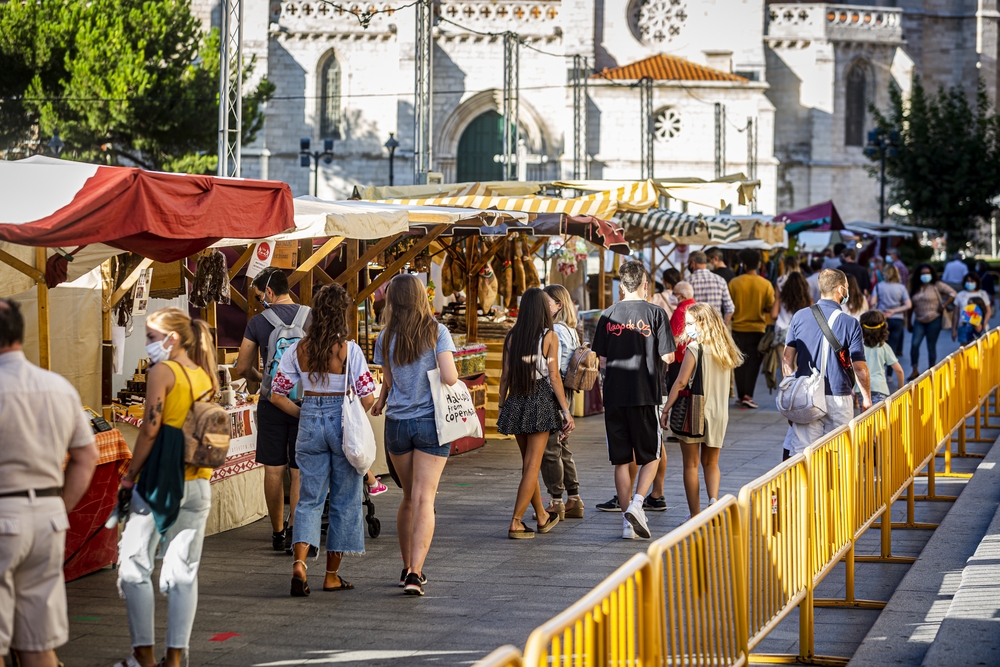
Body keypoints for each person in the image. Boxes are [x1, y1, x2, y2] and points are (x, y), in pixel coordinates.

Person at [117, 308, 220, 667]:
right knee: (183, 574)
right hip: (197, 483)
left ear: (171, 338)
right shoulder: (203, 373)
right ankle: (175, 658)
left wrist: (130, 475)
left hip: (162, 481)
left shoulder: (162, 371)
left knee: (133, 564)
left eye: (149, 337)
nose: (147, 345)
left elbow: (149, 429)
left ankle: (142, 655)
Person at [0, 299, 98, 667]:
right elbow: (85, 456)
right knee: (37, 641)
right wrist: (58, 506)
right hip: (47, 517)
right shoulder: (57, 387)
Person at [270, 283, 376, 596]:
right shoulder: (349, 350)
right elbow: (368, 398)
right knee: (344, 500)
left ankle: (300, 565)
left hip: (309, 422)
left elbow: (277, 394)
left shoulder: (299, 349)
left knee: (308, 499)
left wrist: (302, 411)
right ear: (342, 314)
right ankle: (331, 575)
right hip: (342, 422)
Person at [371, 274, 458, 595]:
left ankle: (405, 565)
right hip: (431, 424)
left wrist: (381, 401)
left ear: (393, 300)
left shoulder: (385, 337)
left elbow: (390, 380)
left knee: (408, 497)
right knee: (425, 498)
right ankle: (415, 573)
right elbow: (449, 377)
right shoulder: (437, 332)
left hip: (397, 424)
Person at [592, 261, 675, 539]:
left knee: (621, 459)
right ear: (645, 285)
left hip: (614, 394)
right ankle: (638, 504)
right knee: (651, 454)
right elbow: (668, 357)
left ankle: (628, 524)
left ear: (621, 286)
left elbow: (601, 360)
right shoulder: (656, 313)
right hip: (646, 393)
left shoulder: (607, 314)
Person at [235, 267, 308, 552]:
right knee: (299, 469)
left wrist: (261, 379)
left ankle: (278, 533)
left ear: (268, 292)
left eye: (258, 296)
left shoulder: (257, 322)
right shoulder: (310, 316)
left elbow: (241, 367)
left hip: (271, 402)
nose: (257, 302)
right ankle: (297, 531)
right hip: (305, 402)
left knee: (274, 469)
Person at [497, 287, 575, 539]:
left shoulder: (511, 336)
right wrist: (566, 411)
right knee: (533, 465)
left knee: (528, 465)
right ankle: (516, 521)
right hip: (539, 400)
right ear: (542, 309)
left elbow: (505, 375)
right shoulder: (549, 336)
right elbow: (554, 376)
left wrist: (501, 405)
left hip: (516, 400)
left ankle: (542, 516)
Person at [660, 303, 744, 520]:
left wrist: (666, 409)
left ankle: (695, 514)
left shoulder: (695, 348)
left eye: (689, 323)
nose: (686, 328)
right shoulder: (725, 350)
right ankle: (714, 502)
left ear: (702, 323)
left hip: (695, 412)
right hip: (719, 414)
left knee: (691, 464)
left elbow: (680, 382)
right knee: (711, 463)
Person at [781, 269, 872, 459]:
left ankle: (806, 489)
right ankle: (835, 489)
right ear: (840, 290)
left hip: (807, 396)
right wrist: (867, 398)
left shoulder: (799, 316)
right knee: (839, 454)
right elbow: (859, 367)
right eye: (846, 287)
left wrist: (791, 389)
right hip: (838, 395)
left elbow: (787, 359)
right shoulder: (850, 323)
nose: (847, 291)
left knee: (803, 454)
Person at [539, 284, 586, 521]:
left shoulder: (555, 330)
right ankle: (574, 499)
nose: (542, 306)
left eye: (546, 302)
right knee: (562, 446)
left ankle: (556, 501)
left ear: (558, 305)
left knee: (550, 449)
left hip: (553, 394)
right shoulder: (569, 329)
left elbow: (553, 371)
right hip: (565, 393)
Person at [728, 249, 775, 409]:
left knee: (739, 362)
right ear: (759, 264)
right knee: (754, 364)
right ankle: (748, 395)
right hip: (758, 329)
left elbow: (729, 306)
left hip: (738, 328)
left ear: (744, 264)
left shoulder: (734, 283)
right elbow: (770, 306)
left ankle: (742, 395)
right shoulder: (766, 284)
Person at [907, 264, 956, 380]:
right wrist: (908, 321)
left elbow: (953, 293)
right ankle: (915, 369)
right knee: (914, 345)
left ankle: (931, 370)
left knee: (931, 346)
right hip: (919, 320)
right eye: (923, 273)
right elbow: (910, 307)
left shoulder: (936, 285)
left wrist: (944, 304)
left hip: (934, 319)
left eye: (927, 273)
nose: (925, 276)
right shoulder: (915, 287)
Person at [858, 311, 904, 404]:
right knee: (880, 418)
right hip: (880, 389)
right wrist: (900, 388)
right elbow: (899, 370)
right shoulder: (884, 347)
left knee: (865, 418)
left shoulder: (857, 347)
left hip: (862, 390)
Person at [869, 264, 911, 360]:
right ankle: (890, 373)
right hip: (897, 318)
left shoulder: (878, 286)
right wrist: (894, 311)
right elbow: (908, 305)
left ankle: (881, 368)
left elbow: (872, 302)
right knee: (893, 346)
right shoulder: (901, 288)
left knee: (881, 345)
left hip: (882, 318)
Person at [688, 251, 734, 324]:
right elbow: (730, 309)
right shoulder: (720, 280)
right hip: (716, 328)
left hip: (696, 328)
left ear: (693, 263)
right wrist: (724, 326)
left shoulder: (688, 282)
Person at [771, 271, 812, 345]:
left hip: (782, 337)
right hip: (801, 337)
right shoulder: (808, 300)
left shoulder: (781, 298)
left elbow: (774, 315)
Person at [951, 272, 993, 342]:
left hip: (979, 325)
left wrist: (984, 323)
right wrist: (953, 329)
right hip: (964, 326)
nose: (969, 283)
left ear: (976, 282)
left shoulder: (983, 294)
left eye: (972, 281)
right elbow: (956, 314)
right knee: (965, 350)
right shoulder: (960, 295)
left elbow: (988, 310)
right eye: (968, 281)